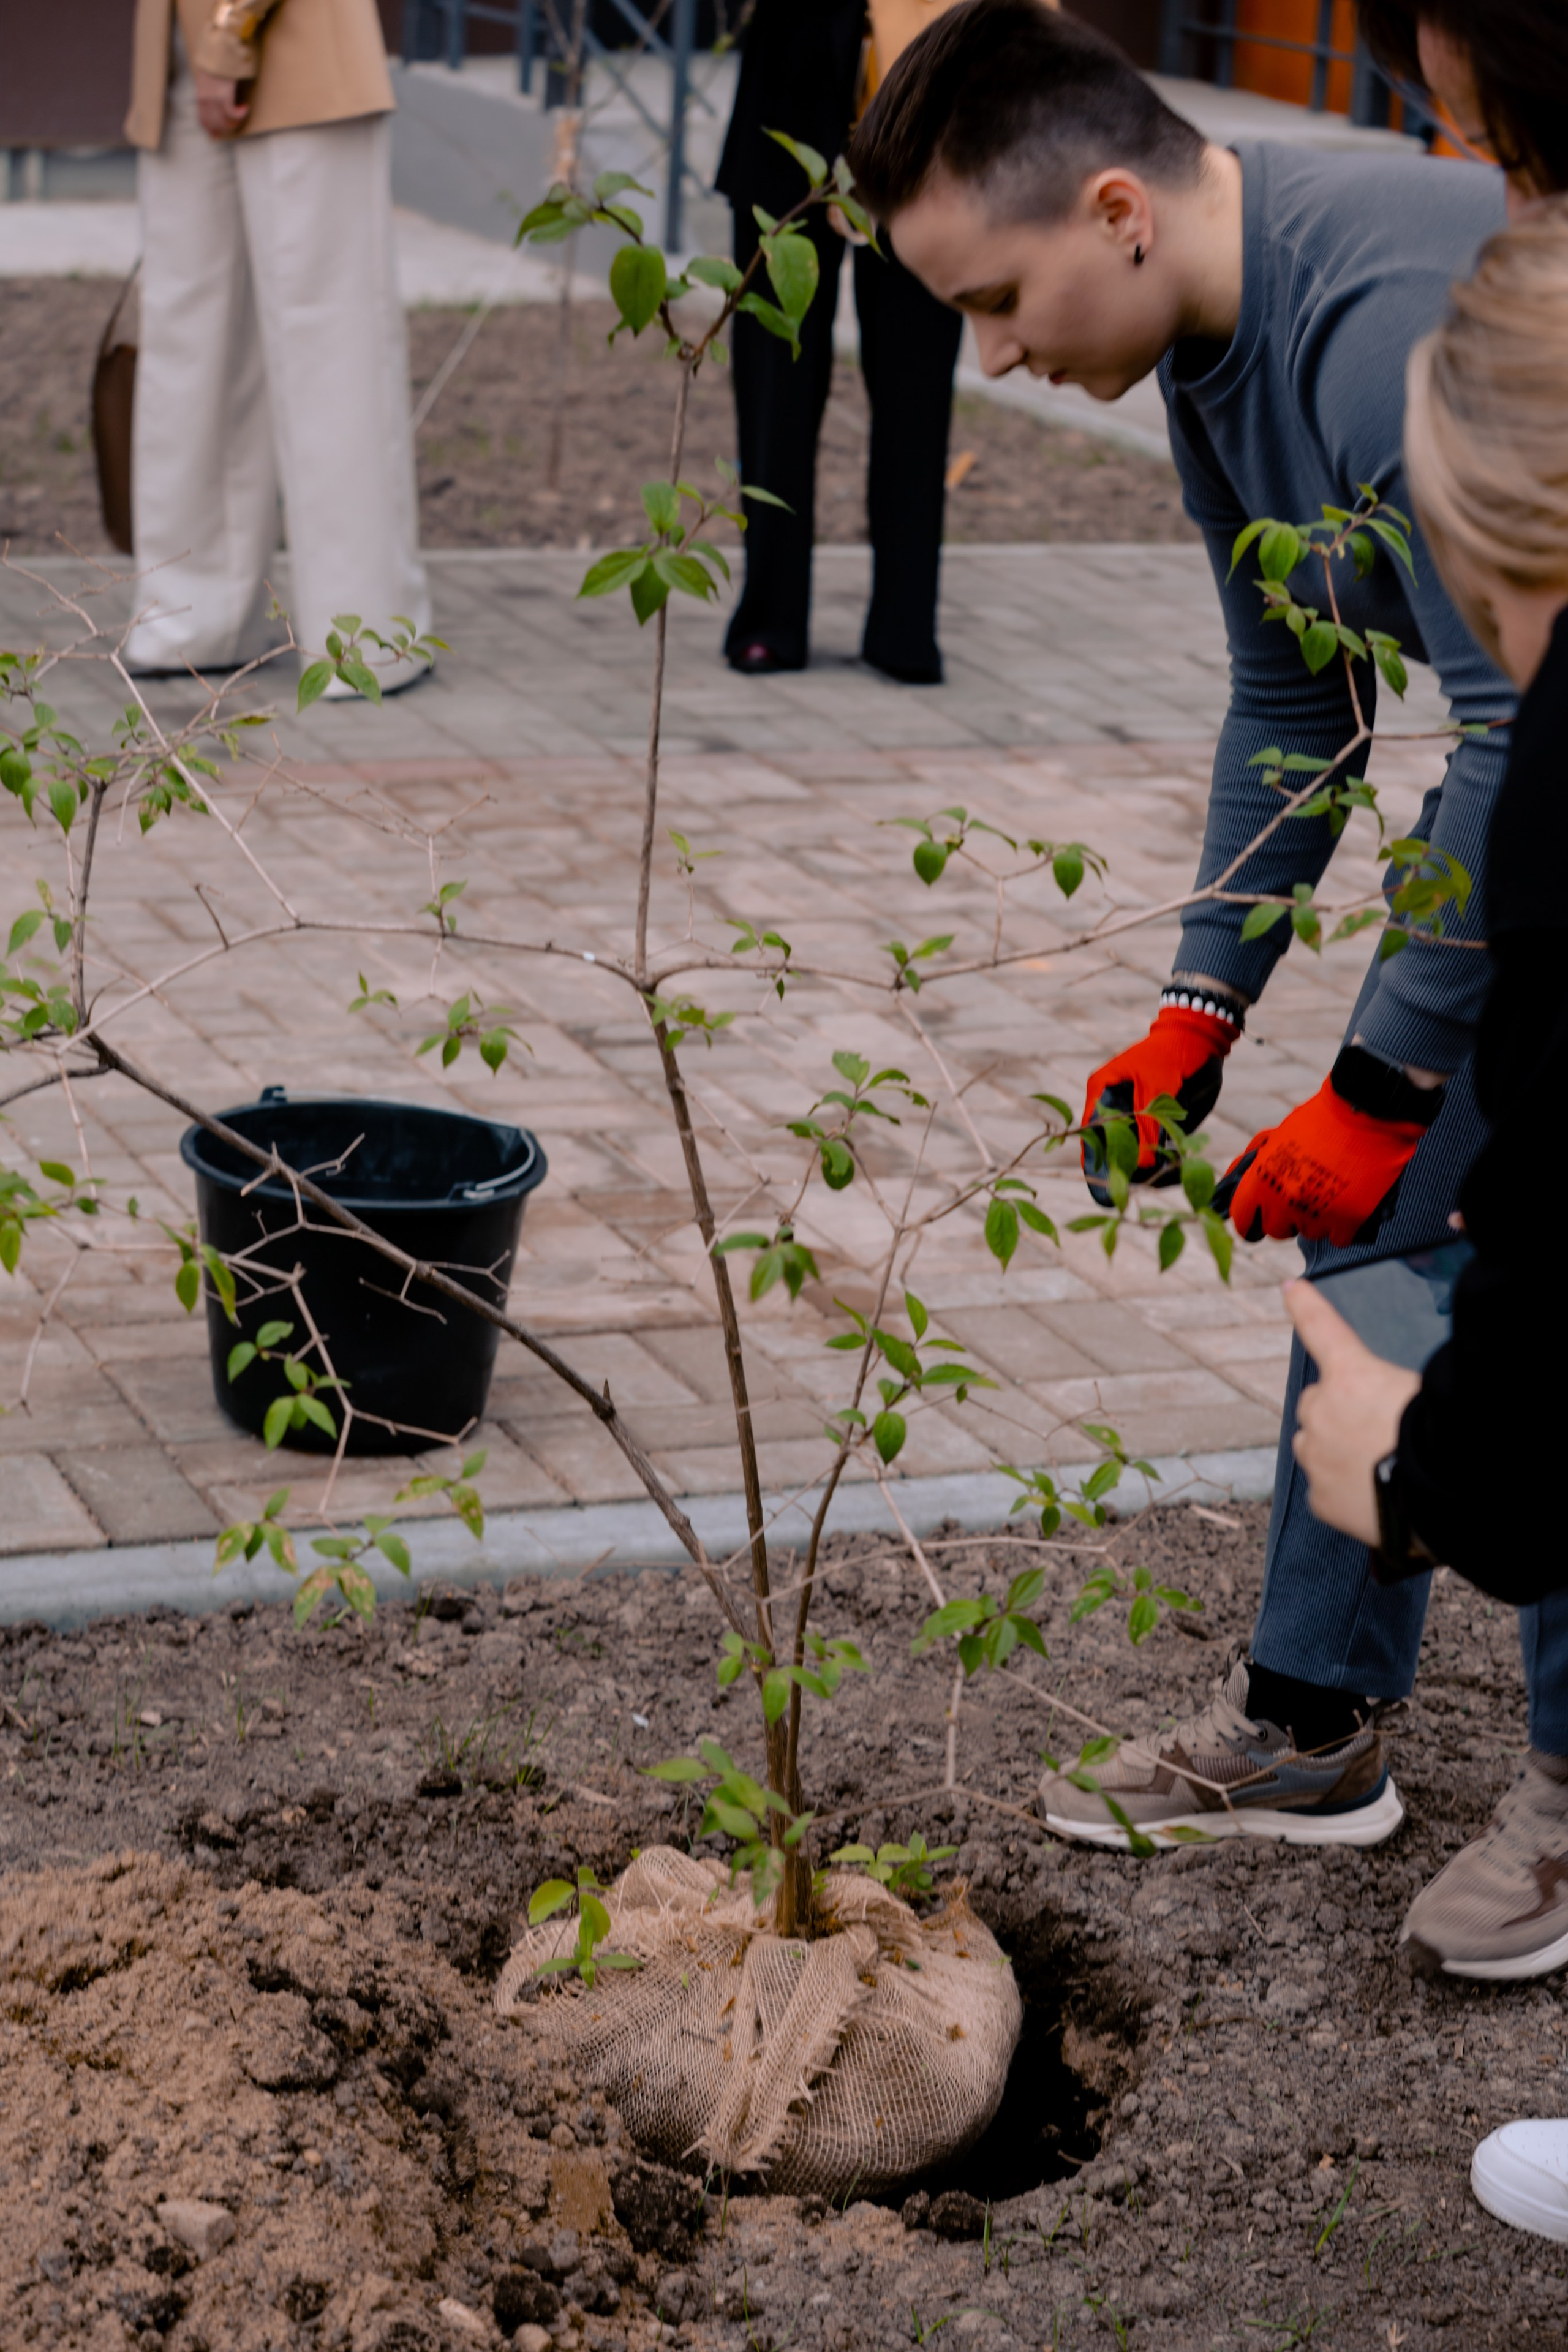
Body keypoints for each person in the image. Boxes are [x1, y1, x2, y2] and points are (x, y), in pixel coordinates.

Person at [846, 0, 1521, 1854]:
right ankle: (1310, 1725)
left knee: (1503, 1253)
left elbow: (1521, 723)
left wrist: (1385, 1081)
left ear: (1117, 211)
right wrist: (1195, 1015)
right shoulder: (1210, 354)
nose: (985, 359)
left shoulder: (1374, 330)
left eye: (993, 300)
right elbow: (1300, 704)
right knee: (1375, 1249)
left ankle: (1556, 1790)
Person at [122, 0, 431, 688]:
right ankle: (191, 616)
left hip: (297, 44)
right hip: (179, 49)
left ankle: (365, 638)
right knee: (189, 353)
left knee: (330, 349)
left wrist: (227, 40)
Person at [714, 0, 963, 683]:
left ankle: (906, 626)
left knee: (917, 385)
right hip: (789, 100)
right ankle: (768, 616)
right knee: (774, 386)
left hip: (930, 105)